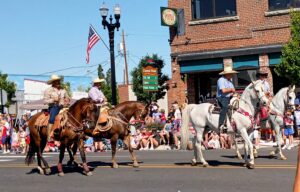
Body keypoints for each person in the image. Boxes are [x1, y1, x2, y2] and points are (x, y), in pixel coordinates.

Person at [44, 74, 70, 143]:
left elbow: (67, 97)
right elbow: (45, 101)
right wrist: (53, 100)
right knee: (52, 118)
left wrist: (67, 100)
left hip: (63, 107)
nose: (58, 82)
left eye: (59, 81)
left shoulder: (63, 90)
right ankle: (49, 136)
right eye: (57, 81)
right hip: (54, 106)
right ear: (53, 82)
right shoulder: (48, 90)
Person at [217, 65, 237, 131]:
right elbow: (223, 91)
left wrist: (234, 94)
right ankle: (221, 124)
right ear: (227, 74)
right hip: (222, 98)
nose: (232, 75)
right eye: (231, 74)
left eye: (232, 74)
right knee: (225, 107)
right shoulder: (221, 80)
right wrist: (231, 90)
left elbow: (233, 91)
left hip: (228, 97)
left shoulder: (230, 81)